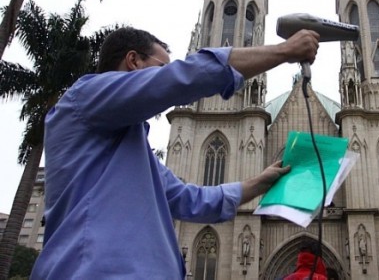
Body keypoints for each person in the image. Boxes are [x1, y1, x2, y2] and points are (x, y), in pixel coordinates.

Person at [31, 26, 320, 279]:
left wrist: (259, 183)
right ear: (133, 61)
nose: (164, 79)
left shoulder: (135, 152)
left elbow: (189, 200)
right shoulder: (83, 98)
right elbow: (182, 78)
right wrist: (284, 51)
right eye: (160, 68)